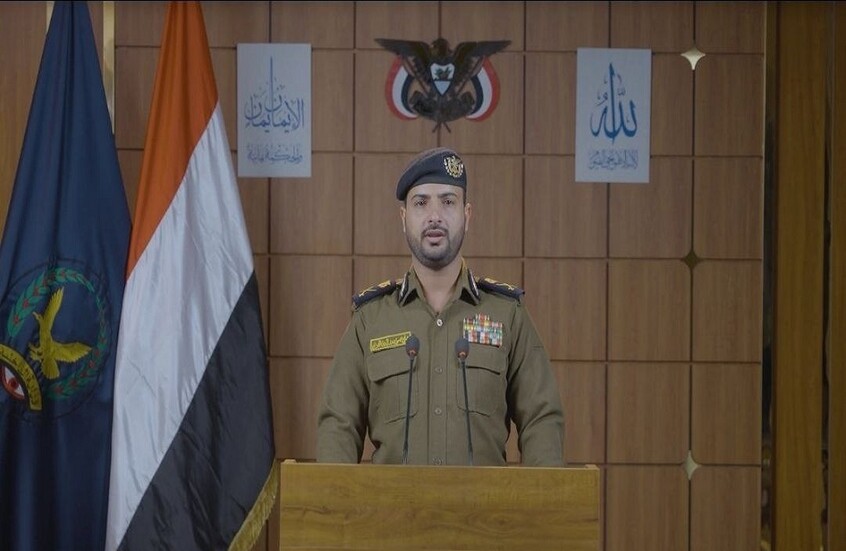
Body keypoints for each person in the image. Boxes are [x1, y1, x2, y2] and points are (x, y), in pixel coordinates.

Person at [316, 147, 564, 466]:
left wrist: (543, 493)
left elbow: (542, 418)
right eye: (421, 203)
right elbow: (338, 424)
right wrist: (336, 494)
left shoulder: (507, 315)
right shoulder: (371, 320)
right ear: (404, 218)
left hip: (483, 501)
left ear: (467, 215)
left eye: (448, 202)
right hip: (392, 500)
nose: (435, 216)